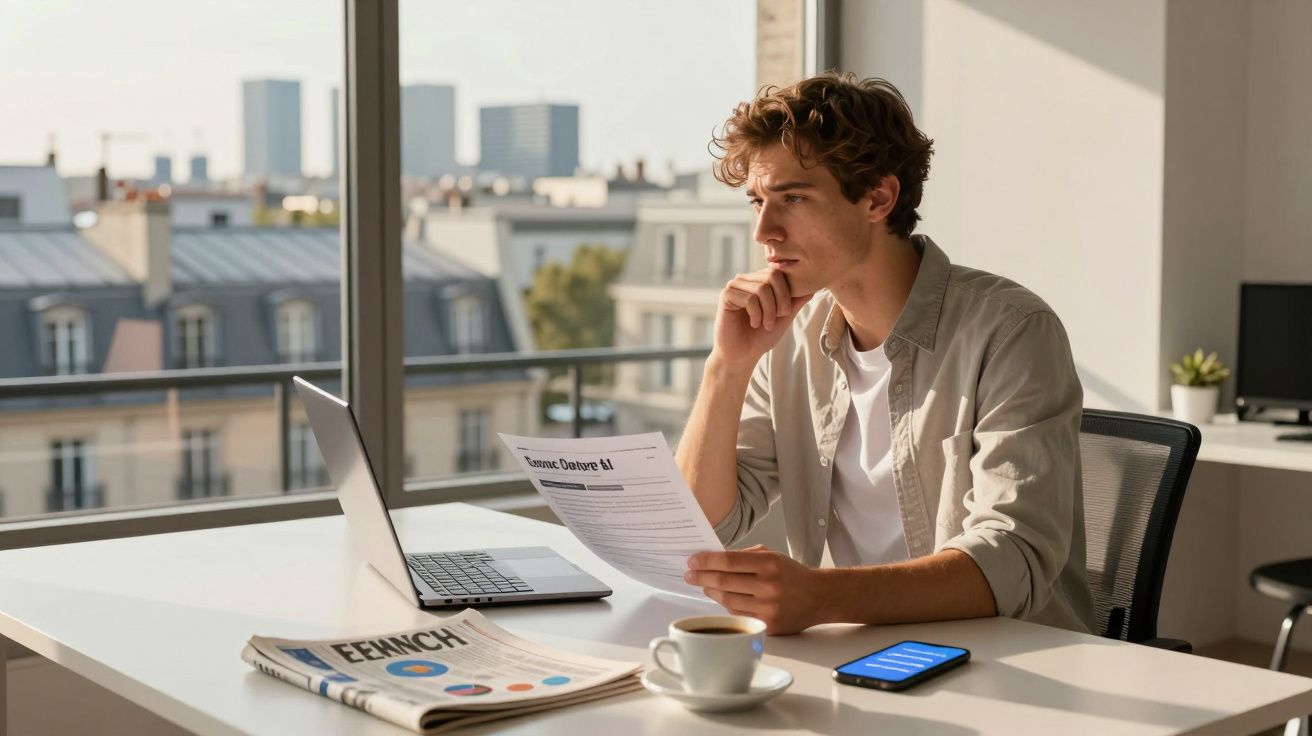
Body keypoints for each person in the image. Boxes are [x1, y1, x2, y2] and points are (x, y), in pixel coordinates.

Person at [676, 73, 1095, 636]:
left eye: (793, 198)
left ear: (878, 197)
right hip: (852, 647)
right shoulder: (787, 341)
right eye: (757, 202)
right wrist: (726, 367)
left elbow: (1013, 558)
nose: (764, 231)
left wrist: (820, 597)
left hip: (1009, 657)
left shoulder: (1011, 330)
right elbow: (703, 529)